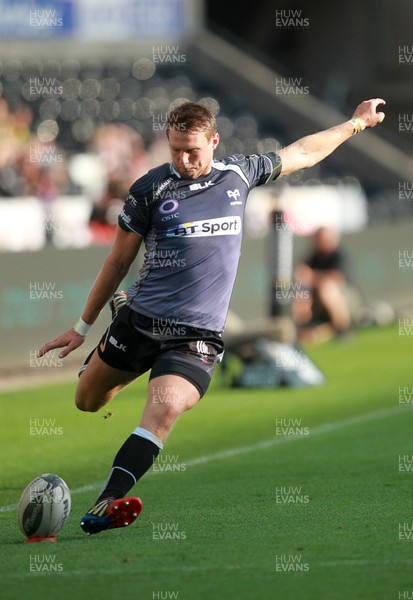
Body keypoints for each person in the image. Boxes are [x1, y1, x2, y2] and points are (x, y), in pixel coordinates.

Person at [38, 98, 385, 535]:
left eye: (193, 151)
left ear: (214, 141)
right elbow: (116, 263)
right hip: (140, 321)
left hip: (196, 336)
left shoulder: (238, 175)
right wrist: (81, 328)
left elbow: (303, 151)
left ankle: (107, 502)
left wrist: (355, 123)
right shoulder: (149, 190)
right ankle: (120, 343)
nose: (183, 160)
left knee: (163, 411)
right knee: (88, 402)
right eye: (175, 150)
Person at [292, 226, 352, 342]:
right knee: (300, 295)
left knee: (327, 290)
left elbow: (337, 278)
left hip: (346, 300)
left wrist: (313, 277)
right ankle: (301, 331)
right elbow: (301, 277)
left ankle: (343, 330)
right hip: (316, 303)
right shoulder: (312, 258)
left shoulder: (338, 255)